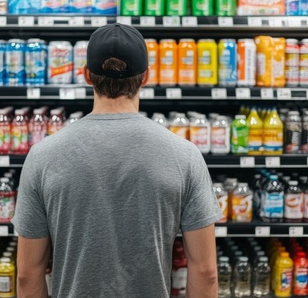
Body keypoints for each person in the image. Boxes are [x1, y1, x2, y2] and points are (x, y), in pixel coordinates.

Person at [13, 23, 222, 298]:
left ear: (87, 75)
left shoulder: (42, 156)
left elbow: (28, 275)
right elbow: (205, 272)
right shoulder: (185, 155)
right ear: (145, 77)